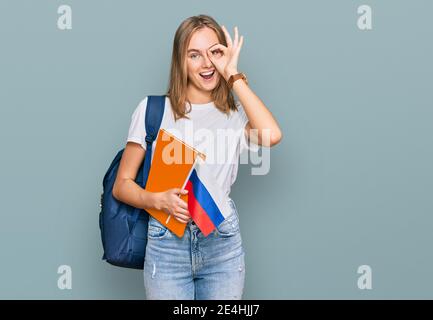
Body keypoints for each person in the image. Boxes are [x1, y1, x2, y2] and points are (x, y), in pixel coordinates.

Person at [112, 14, 282, 300]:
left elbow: (272, 135)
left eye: (214, 52)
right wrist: (156, 200)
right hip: (166, 243)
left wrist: (233, 75)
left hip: (222, 242)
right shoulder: (153, 110)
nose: (206, 64)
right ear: (181, 61)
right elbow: (122, 184)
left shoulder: (235, 116)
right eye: (194, 55)